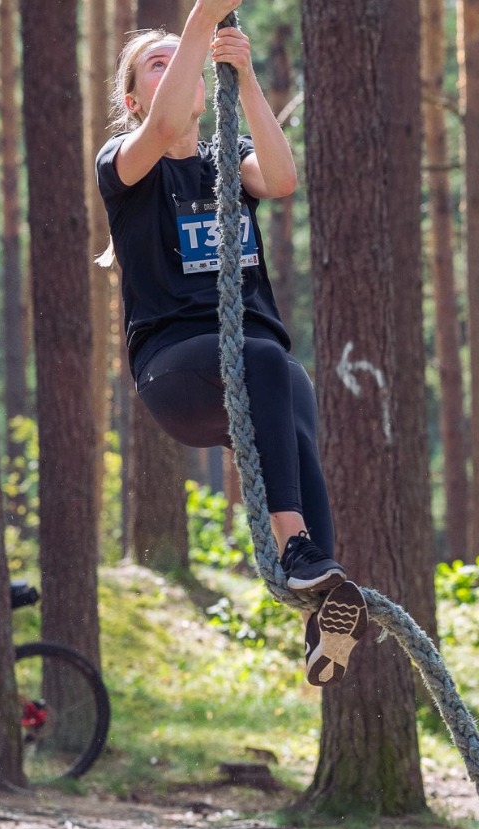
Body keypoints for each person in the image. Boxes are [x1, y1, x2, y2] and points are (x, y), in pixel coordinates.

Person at [96, 0, 366, 687]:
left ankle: (322, 610)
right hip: (176, 371)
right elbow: (164, 129)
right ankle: (294, 548)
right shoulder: (124, 164)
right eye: (156, 66)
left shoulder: (227, 158)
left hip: (254, 366)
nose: (174, 71)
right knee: (264, 359)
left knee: (293, 393)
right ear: (133, 100)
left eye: (179, 62)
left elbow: (281, 180)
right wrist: (198, 21)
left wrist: (243, 78)